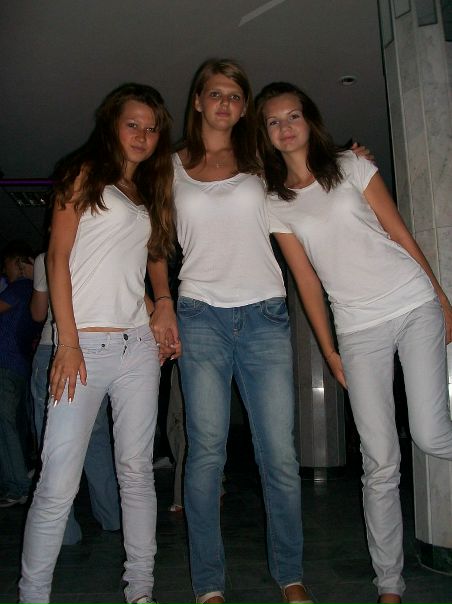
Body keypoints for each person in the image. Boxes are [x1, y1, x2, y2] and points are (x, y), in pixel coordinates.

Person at [255, 81, 452, 604]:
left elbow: (400, 232)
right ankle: (389, 583)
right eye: (274, 121)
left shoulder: (350, 166)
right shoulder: (276, 203)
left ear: (309, 119)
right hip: (357, 328)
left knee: (432, 434)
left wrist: (440, 295)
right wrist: (329, 350)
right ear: (266, 133)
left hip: (411, 302)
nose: (285, 127)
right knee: (379, 460)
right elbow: (306, 281)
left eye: (293, 115)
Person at [149, 59, 310, 604]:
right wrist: (163, 302)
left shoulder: (261, 159)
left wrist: (352, 160)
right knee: (206, 453)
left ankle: (291, 575)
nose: (225, 103)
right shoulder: (169, 166)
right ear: (198, 101)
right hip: (200, 316)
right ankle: (209, 586)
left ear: (244, 108)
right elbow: (156, 244)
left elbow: (310, 172)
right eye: (215, 94)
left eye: (235, 96)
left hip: (264, 314)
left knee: (279, 455)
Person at [19, 82, 179, 604]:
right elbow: (58, 258)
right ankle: (33, 596)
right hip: (81, 346)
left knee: (136, 472)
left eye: (151, 128)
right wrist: (66, 343)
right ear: (112, 123)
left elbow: (141, 264)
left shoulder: (146, 192)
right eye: (133, 124)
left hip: (137, 349)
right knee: (57, 480)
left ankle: (141, 589)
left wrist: (161, 307)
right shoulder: (83, 173)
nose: (143, 136)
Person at [30, 251, 121, 544]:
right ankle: (112, 517)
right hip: (94, 348)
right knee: (97, 440)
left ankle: (64, 532)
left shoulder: (47, 257)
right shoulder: (98, 249)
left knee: (53, 443)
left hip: (55, 348)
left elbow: (38, 313)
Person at [0, 240, 38, 507]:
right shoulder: (32, 291)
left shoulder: (19, 288)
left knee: (6, 426)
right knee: (14, 424)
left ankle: (18, 486)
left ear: (17, 262)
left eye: (7, 266)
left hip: (6, 363)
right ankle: (18, 479)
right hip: (19, 364)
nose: (5, 272)